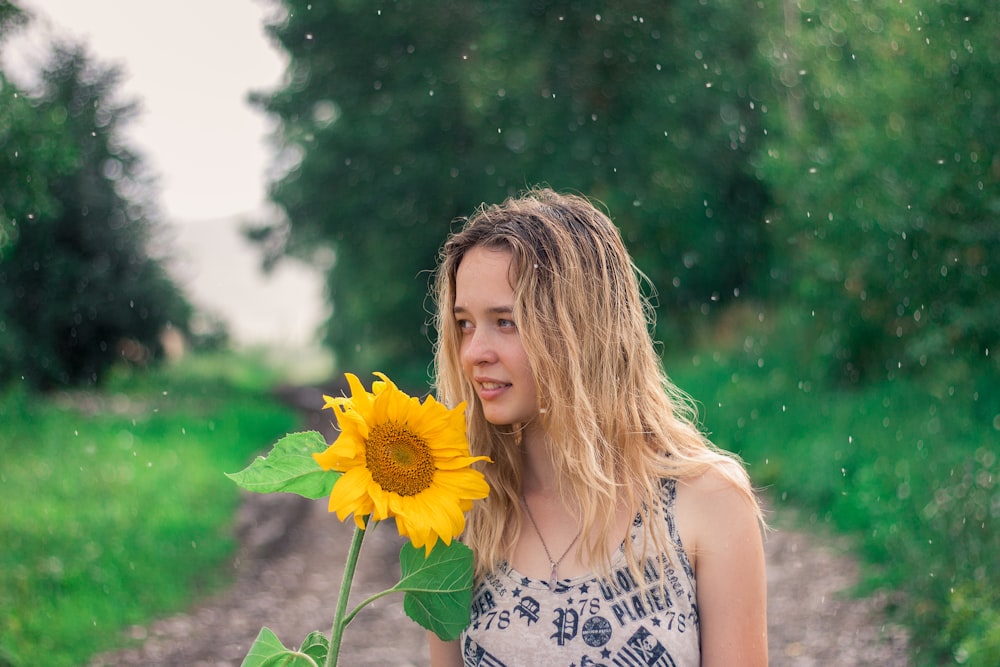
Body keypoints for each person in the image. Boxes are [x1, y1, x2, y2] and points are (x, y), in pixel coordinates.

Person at [427, 188, 767, 666]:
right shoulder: (461, 515)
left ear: (581, 329)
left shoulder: (708, 503)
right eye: (464, 324)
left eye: (505, 322)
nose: (473, 353)